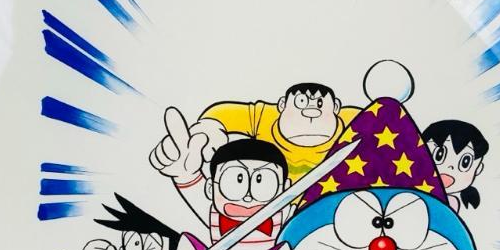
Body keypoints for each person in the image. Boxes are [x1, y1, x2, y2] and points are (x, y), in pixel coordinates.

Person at [150, 82, 359, 185]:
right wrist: (208, 130)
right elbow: (223, 113)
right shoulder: (264, 116)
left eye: (320, 104)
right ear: (282, 105)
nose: (310, 112)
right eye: (301, 102)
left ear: (336, 107)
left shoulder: (356, 118)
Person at [166, 126, 293, 250]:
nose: (248, 197)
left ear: (285, 188)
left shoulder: (283, 211)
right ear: (210, 187)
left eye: (260, 180)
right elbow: (193, 189)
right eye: (237, 180)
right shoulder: (214, 212)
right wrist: (185, 175)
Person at [422, 119, 489, 215]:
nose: (450, 167)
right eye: (439, 155)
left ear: (478, 169)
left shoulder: (451, 203)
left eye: (465, 162)